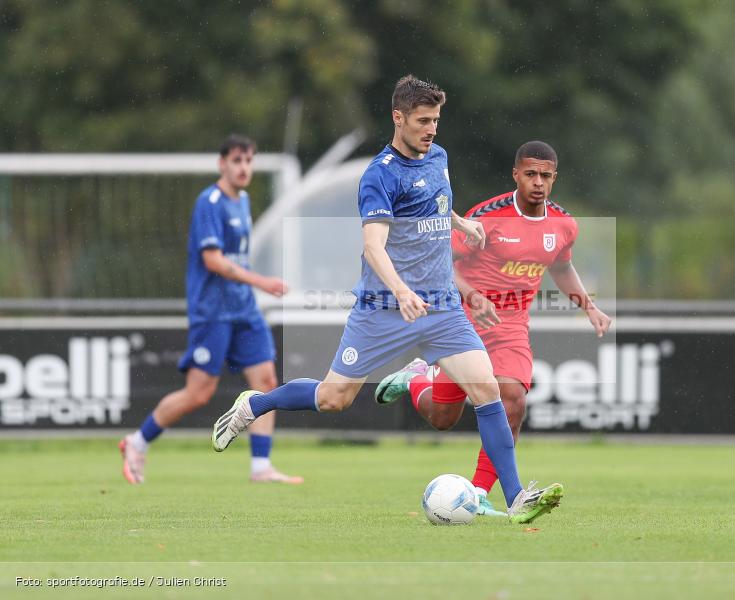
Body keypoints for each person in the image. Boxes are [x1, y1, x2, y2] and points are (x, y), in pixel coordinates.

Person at [211, 75, 564, 524]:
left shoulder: (438, 156)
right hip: (383, 311)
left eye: (436, 120)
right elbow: (373, 246)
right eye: (422, 121)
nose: (431, 129)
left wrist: (461, 224)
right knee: (334, 398)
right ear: (398, 118)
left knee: (487, 390)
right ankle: (254, 405)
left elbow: (433, 202)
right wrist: (400, 290)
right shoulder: (379, 176)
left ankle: (516, 499)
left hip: (440, 307)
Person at [374, 140, 611, 517]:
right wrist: (472, 295)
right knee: (443, 418)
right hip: (461, 320)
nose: (538, 182)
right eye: (530, 174)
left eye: (545, 176)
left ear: (554, 179)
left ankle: (478, 492)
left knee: (513, 397)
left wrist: (589, 307)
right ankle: (418, 377)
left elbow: (561, 267)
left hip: (511, 326)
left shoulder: (564, 225)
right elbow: (440, 261)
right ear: (516, 174)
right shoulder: (487, 217)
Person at [119, 134, 302, 485]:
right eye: (237, 161)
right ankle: (136, 442)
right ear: (222, 164)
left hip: (244, 310)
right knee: (198, 393)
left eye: (249, 161)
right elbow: (213, 260)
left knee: (265, 381)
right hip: (213, 312)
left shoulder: (243, 200)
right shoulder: (210, 202)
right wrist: (261, 282)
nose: (244, 168)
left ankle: (260, 466)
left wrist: (251, 289)